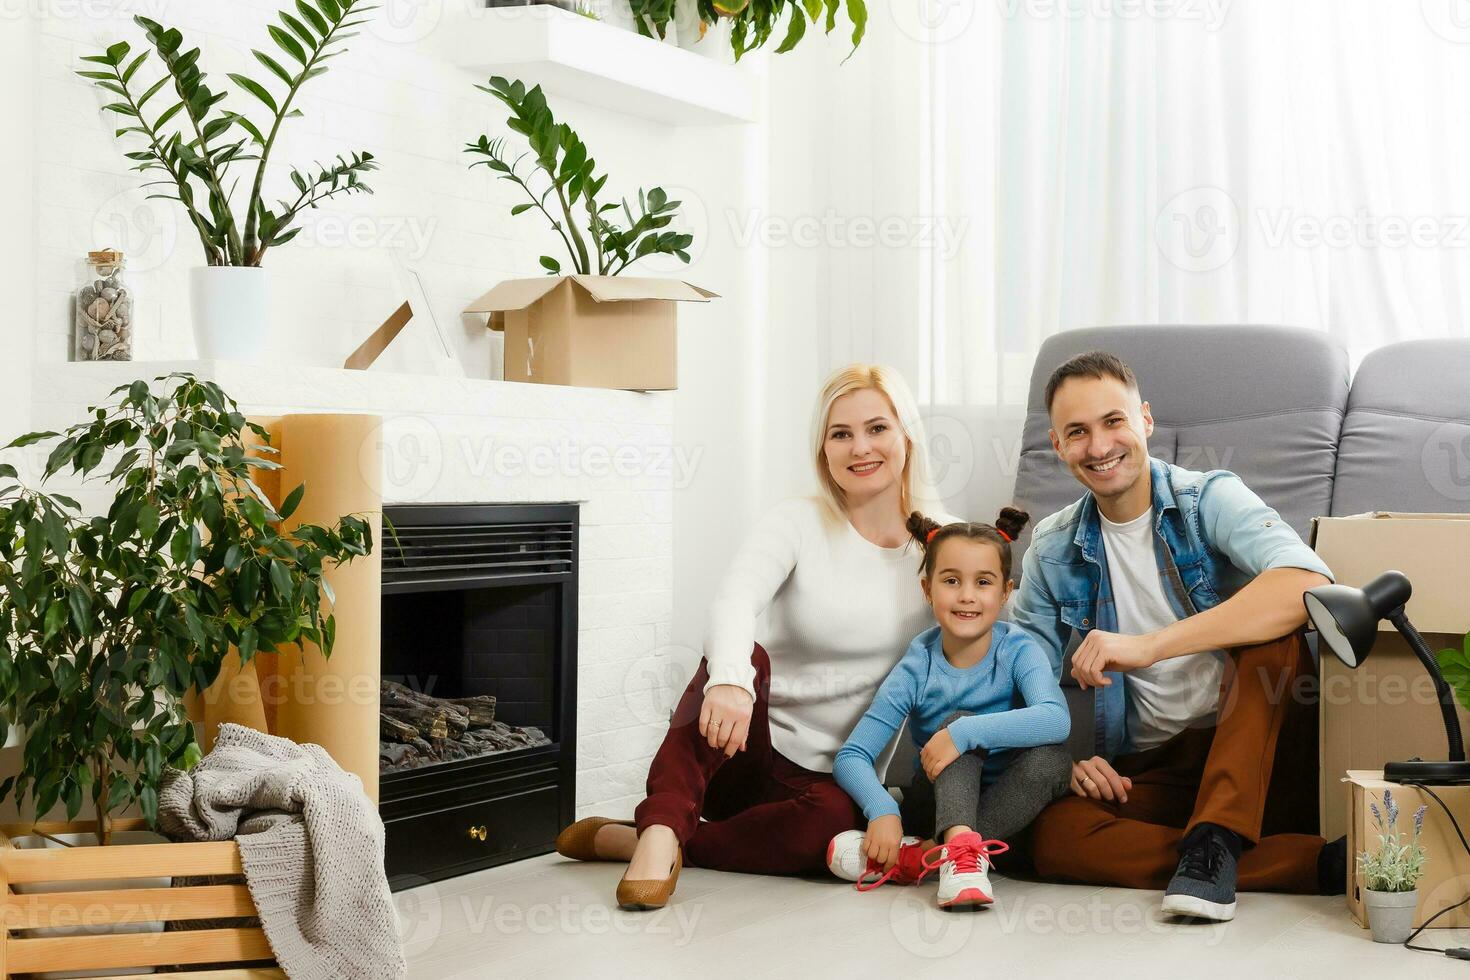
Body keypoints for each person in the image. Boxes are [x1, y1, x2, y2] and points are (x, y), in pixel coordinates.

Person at [554, 363, 959, 911]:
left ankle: (649, 837)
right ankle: (658, 834)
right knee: (745, 655)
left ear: (906, 435)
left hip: (833, 778)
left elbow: (970, 655)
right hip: (741, 744)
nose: (860, 447)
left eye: (876, 428)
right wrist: (731, 681)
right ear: (824, 450)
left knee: (833, 825)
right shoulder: (798, 521)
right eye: (841, 434)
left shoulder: (947, 546)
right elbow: (734, 601)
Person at [1014, 350, 1347, 922]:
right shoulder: (1052, 546)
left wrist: (1148, 645)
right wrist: (1058, 761)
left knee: (1272, 635)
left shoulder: (1206, 500)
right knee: (1047, 835)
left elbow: (1308, 583)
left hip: (1261, 750)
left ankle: (1218, 836)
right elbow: (1018, 675)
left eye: (1113, 421)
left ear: (1144, 419)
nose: (1099, 447)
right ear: (1057, 443)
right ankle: (1298, 863)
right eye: (1078, 432)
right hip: (1161, 768)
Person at [826, 510, 1073, 910]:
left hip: (1009, 804)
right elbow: (853, 756)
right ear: (928, 589)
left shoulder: (1019, 649)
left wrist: (963, 734)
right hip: (939, 800)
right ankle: (958, 850)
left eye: (983, 582)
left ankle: (923, 857)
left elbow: (1056, 719)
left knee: (1053, 762)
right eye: (951, 580)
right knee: (958, 724)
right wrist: (883, 810)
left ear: (1005, 592)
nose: (967, 596)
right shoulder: (918, 665)